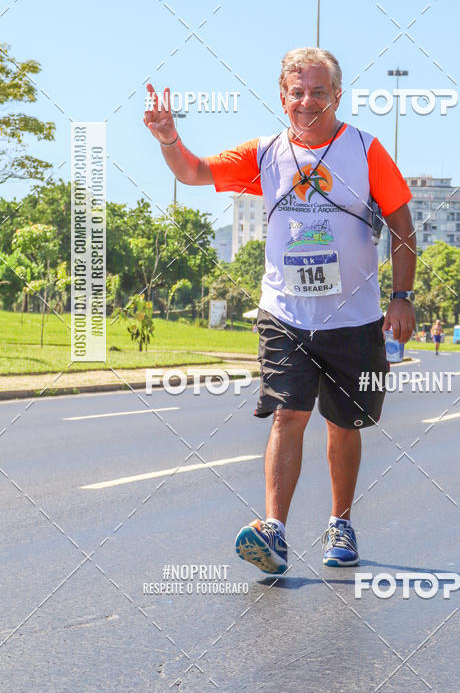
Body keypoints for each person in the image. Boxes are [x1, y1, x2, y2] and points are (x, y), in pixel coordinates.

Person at [144, 48, 416, 574]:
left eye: (318, 91)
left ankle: (341, 521)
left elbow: (403, 229)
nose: (307, 101)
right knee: (288, 414)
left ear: (337, 95)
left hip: (353, 317)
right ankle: (274, 531)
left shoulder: (366, 151)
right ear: (283, 95)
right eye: (298, 92)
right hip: (285, 314)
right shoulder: (265, 153)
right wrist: (168, 140)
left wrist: (401, 299)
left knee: (342, 424)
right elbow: (194, 172)